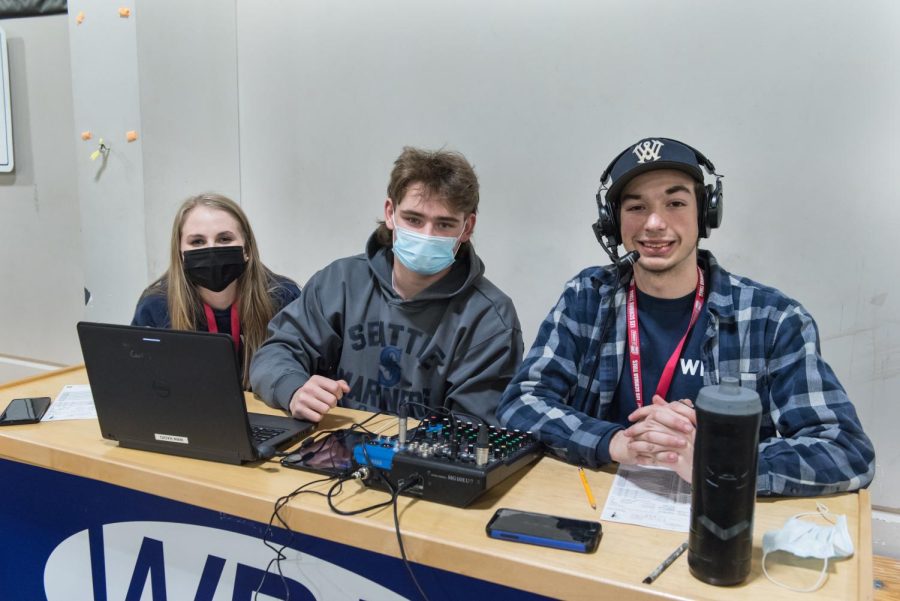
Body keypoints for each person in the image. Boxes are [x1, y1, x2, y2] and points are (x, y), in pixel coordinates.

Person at [497, 137, 875, 496]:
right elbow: (521, 402)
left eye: (675, 204)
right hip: (604, 508)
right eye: (636, 207)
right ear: (613, 224)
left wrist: (717, 462)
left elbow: (844, 450)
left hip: (716, 521)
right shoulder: (587, 298)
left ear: (706, 214)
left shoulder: (773, 320)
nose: (655, 224)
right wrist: (613, 441)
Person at [250, 146, 522, 425]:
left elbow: (472, 429)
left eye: (444, 224)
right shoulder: (340, 282)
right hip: (334, 451)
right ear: (390, 212)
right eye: (414, 219)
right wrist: (294, 389)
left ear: (467, 228)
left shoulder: (490, 318)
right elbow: (274, 354)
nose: (426, 235)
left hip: (426, 460)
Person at [132, 193, 300, 389]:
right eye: (197, 242)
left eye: (224, 239)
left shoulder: (283, 298)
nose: (211, 250)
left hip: (266, 413)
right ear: (180, 253)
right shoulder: (156, 306)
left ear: (247, 249)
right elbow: (140, 380)